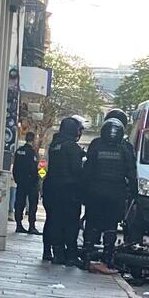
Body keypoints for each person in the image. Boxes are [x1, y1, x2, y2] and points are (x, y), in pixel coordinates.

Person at [81, 118, 137, 272]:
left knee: (92, 223)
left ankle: (87, 254)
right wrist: (134, 193)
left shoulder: (96, 145)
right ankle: (108, 256)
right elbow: (132, 173)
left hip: (95, 191)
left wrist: (84, 192)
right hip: (116, 193)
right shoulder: (125, 148)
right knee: (111, 225)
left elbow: (87, 170)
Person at [43, 116, 85, 265]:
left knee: (54, 221)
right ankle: (71, 255)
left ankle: (56, 253)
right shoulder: (72, 147)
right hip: (69, 190)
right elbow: (77, 171)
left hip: (52, 188)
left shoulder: (54, 145)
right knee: (71, 224)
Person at [12, 132, 41, 236]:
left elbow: (15, 167)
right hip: (31, 183)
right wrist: (38, 179)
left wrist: (17, 179)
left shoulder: (19, 151)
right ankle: (31, 226)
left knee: (19, 203)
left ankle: (18, 225)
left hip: (21, 182)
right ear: (33, 140)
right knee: (32, 205)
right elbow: (35, 168)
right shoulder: (32, 152)